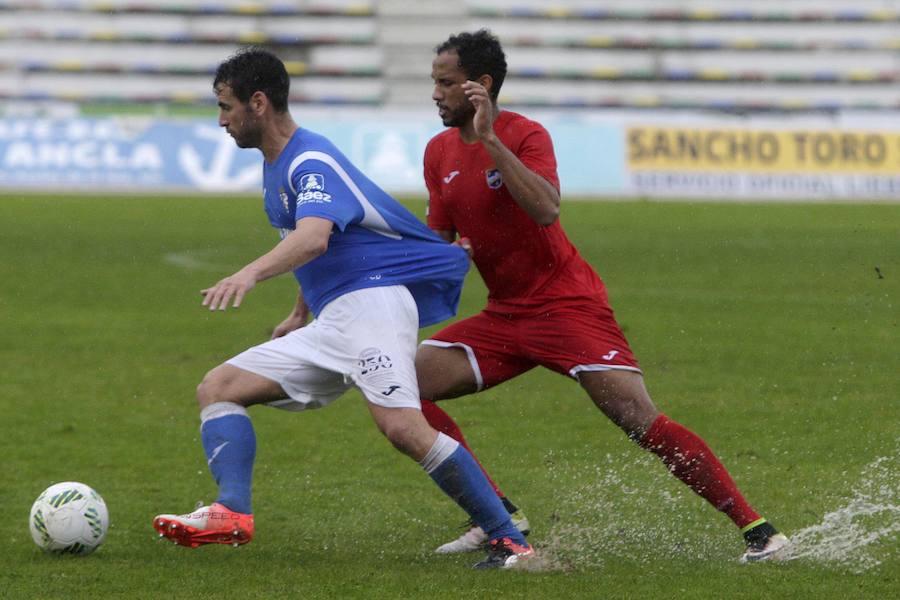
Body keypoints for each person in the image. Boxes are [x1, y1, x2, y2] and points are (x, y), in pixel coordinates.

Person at [152, 47, 534, 570]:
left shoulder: (310, 160)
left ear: (257, 103)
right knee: (219, 388)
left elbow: (313, 238)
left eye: (226, 107)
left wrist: (249, 273)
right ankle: (231, 512)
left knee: (403, 427)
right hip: (339, 313)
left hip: (372, 304)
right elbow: (326, 248)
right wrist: (298, 313)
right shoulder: (278, 165)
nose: (221, 120)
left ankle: (509, 538)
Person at [415, 29, 789, 563]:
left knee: (638, 419)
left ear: (481, 86)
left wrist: (491, 140)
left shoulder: (525, 135)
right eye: (434, 82)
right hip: (504, 316)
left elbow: (546, 209)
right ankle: (496, 514)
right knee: (403, 385)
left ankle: (759, 532)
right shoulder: (438, 152)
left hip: (566, 306)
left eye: (446, 83)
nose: (435, 93)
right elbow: (440, 244)